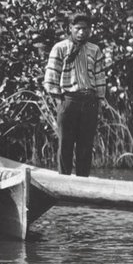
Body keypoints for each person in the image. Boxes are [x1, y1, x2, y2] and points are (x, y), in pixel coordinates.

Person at [43, 11, 107, 177]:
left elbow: (100, 78)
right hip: (69, 99)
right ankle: (63, 183)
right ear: (70, 28)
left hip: (89, 101)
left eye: (85, 29)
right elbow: (51, 79)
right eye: (78, 28)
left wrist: (100, 101)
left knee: (85, 146)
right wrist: (60, 103)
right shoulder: (60, 48)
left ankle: (82, 183)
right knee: (65, 144)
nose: (81, 32)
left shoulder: (94, 50)